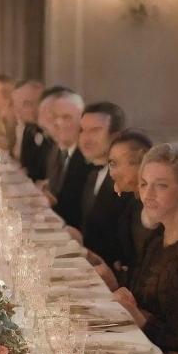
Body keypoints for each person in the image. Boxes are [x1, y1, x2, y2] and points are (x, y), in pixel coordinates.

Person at [112, 142, 178, 354]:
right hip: (139, 351)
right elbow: (137, 299)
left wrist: (137, 316)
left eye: (161, 186)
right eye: (144, 184)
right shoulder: (156, 240)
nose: (148, 194)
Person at [77, 101, 130, 268]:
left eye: (95, 131)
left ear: (116, 136)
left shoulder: (125, 181)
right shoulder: (92, 175)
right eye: (83, 130)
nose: (86, 138)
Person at [104, 128, 154, 277]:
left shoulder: (157, 207)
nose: (113, 173)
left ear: (143, 160)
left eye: (118, 163)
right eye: (112, 164)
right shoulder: (131, 201)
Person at [45, 90, 91, 230]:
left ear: (81, 122)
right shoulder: (57, 149)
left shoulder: (87, 158)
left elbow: (75, 212)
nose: (58, 122)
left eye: (66, 117)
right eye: (55, 117)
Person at [10, 79, 43, 165]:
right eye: (27, 104)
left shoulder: (52, 134)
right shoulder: (26, 128)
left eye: (39, 103)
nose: (35, 109)